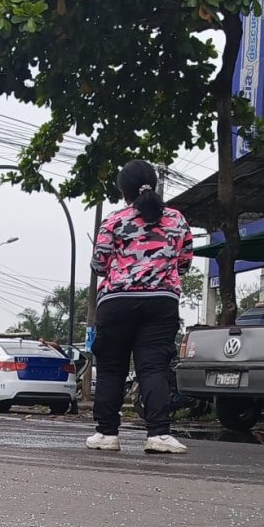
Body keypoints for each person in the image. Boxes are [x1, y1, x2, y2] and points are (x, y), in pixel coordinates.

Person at [87, 159, 193, 455]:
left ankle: (106, 434)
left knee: (111, 368)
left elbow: (99, 264)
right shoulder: (177, 219)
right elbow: (184, 263)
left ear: (124, 191)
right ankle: (158, 434)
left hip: (117, 302)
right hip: (162, 302)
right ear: (154, 185)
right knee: (154, 367)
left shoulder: (113, 221)